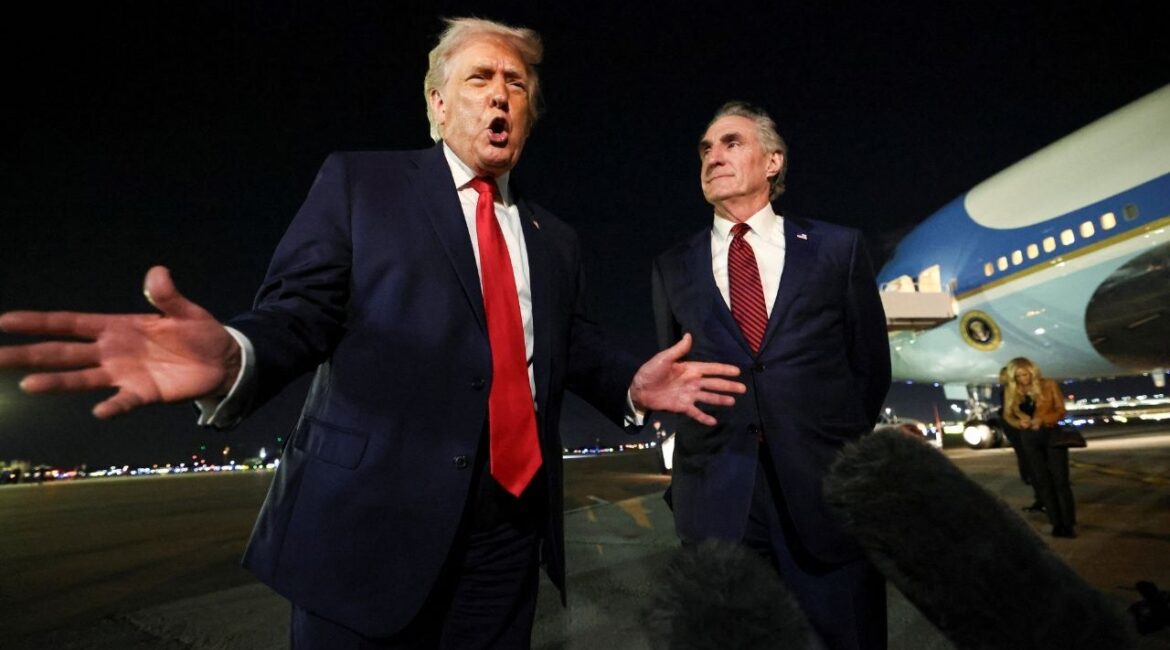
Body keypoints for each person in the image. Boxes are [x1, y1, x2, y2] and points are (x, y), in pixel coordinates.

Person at [0, 17, 747, 648]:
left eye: (517, 84)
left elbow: (571, 345)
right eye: (480, 78)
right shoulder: (364, 186)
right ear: (437, 104)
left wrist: (629, 381)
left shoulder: (556, 238)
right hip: (369, 532)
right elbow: (299, 311)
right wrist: (236, 354)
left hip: (507, 540)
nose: (500, 95)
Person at [650, 101, 891, 649]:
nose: (713, 156)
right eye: (706, 149)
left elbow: (869, 366)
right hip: (718, 500)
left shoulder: (837, 247)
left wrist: (831, 442)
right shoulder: (672, 266)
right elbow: (674, 367)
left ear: (774, 161)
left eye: (731, 143)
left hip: (824, 492)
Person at [1002, 357, 1076, 538]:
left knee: (1061, 481)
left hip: (1051, 434)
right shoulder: (1011, 390)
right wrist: (1020, 423)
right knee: (1043, 482)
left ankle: (1068, 523)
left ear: (1032, 372)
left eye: (1025, 374)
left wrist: (1042, 420)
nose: (1023, 378)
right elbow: (1007, 414)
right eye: (1018, 376)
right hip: (1029, 438)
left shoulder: (1049, 384)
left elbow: (1061, 410)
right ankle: (1056, 523)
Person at [996, 365, 1043, 512]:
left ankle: (1042, 500)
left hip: (1023, 435)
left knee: (1033, 468)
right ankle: (1041, 499)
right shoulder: (1009, 392)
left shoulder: (1014, 392)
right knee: (1032, 467)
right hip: (1020, 435)